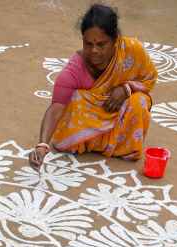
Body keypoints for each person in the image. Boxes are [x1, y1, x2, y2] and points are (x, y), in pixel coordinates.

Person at [29, 3, 158, 170]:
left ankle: (121, 147)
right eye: (88, 44)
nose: (94, 51)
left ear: (115, 41)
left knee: (139, 101)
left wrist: (127, 89)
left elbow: (149, 79)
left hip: (118, 116)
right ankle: (92, 142)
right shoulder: (74, 70)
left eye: (101, 44)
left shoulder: (132, 50)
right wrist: (41, 146)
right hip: (90, 122)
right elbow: (56, 108)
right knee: (76, 100)